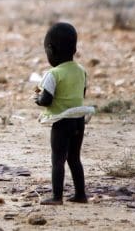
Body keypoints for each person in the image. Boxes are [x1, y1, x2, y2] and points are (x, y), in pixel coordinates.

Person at [34, 22, 92, 205]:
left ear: (51, 49)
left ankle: (57, 197)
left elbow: (46, 100)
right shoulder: (81, 71)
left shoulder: (53, 74)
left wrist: (37, 99)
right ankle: (80, 194)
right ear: (74, 48)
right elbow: (81, 95)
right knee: (75, 158)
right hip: (79, 120)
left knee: (58, 159)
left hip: (62, 122)